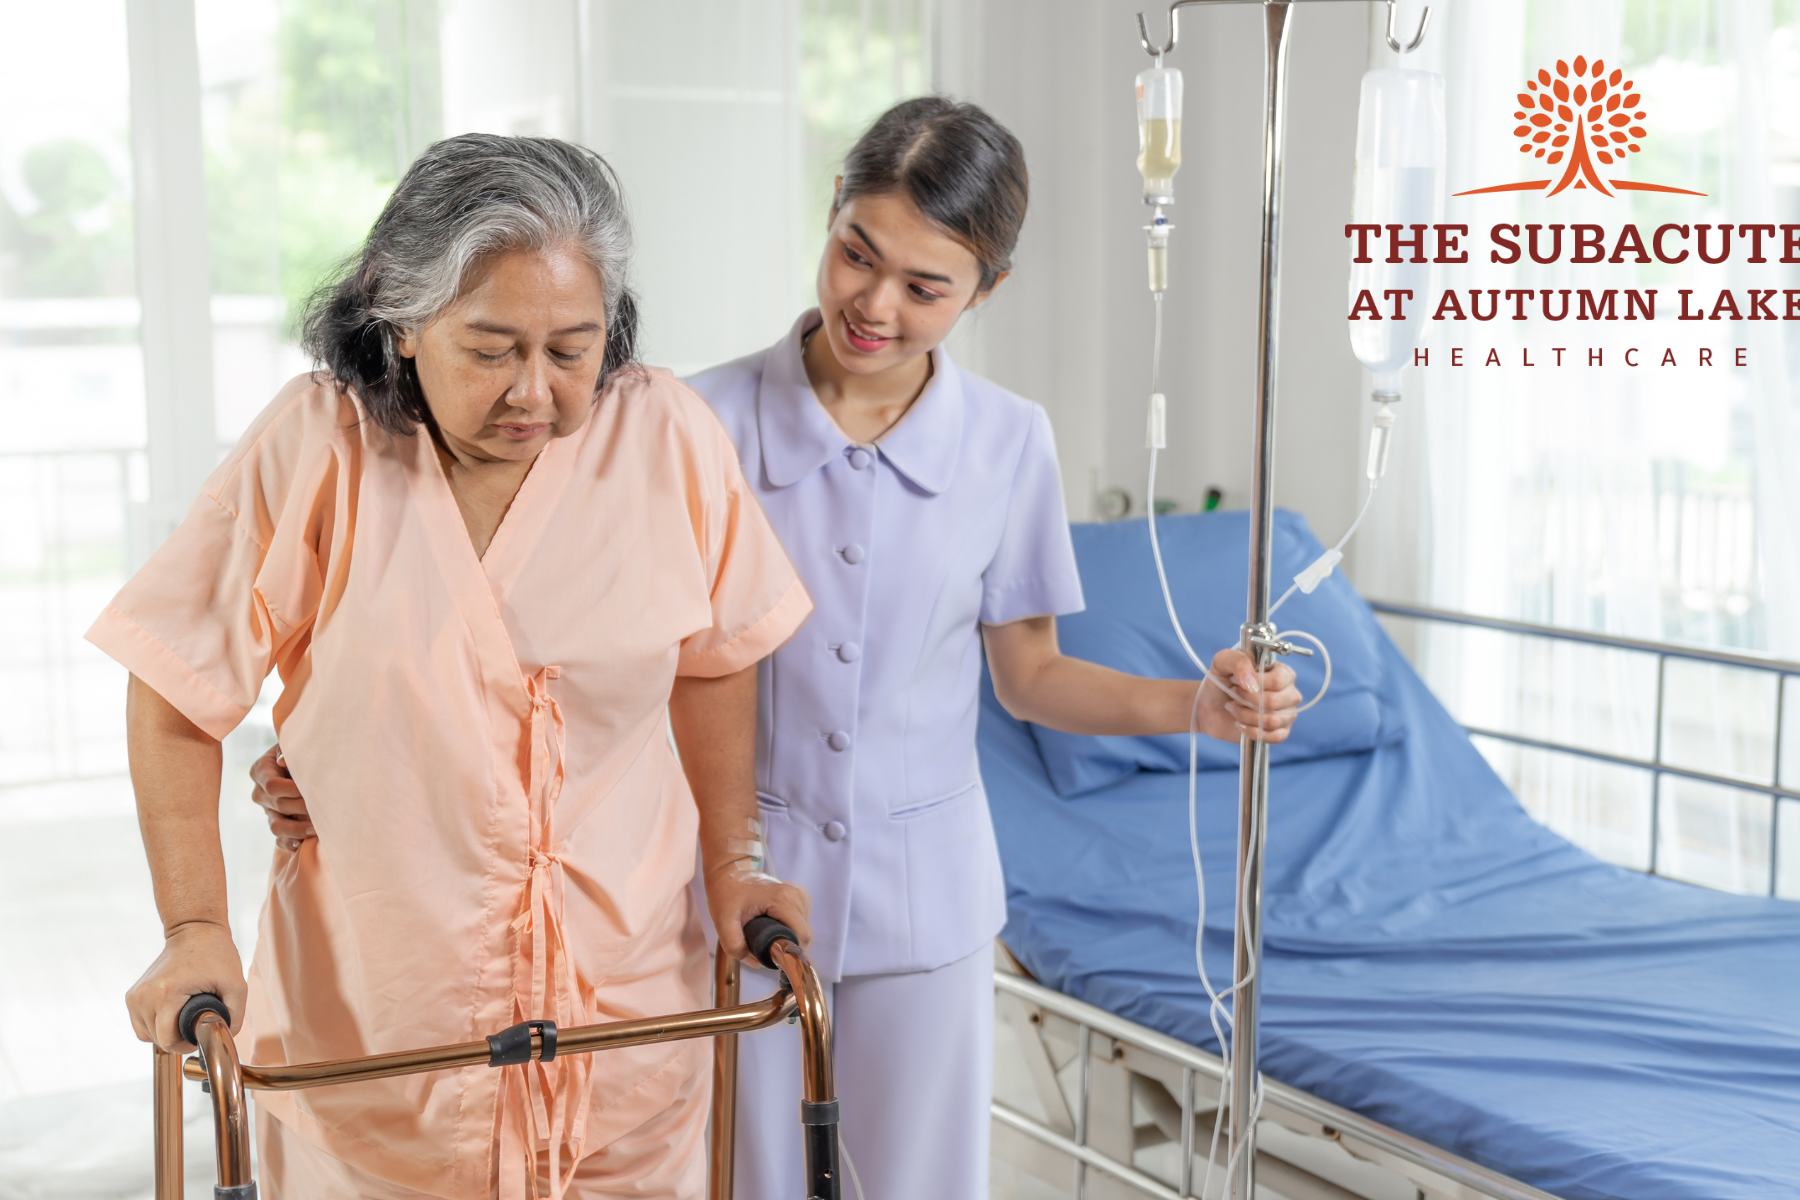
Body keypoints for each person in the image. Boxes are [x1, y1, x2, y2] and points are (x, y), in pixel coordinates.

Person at [252, 100, 1301, 1198]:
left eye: (926, 287)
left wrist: (1197, 706)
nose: (875, 305)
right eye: (859, 254)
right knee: (742, 1176)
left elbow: (1031, 677)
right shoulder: (685, 418)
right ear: (833, 211)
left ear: (985, 290)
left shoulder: (1008, 441)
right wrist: (344, 756)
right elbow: (530, 635)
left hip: (927, 896)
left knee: (920, 1182)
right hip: (719, 894)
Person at [94, 134, 813, 1200]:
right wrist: (194, 929)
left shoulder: (663, 437)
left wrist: (734, 861)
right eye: (491, 349)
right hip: (382, 1044)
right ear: (401, 318)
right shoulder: (321, 447)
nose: (535, 392)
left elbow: (715, 659)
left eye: (571, 349)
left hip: (626, 1029)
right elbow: (174, 689)